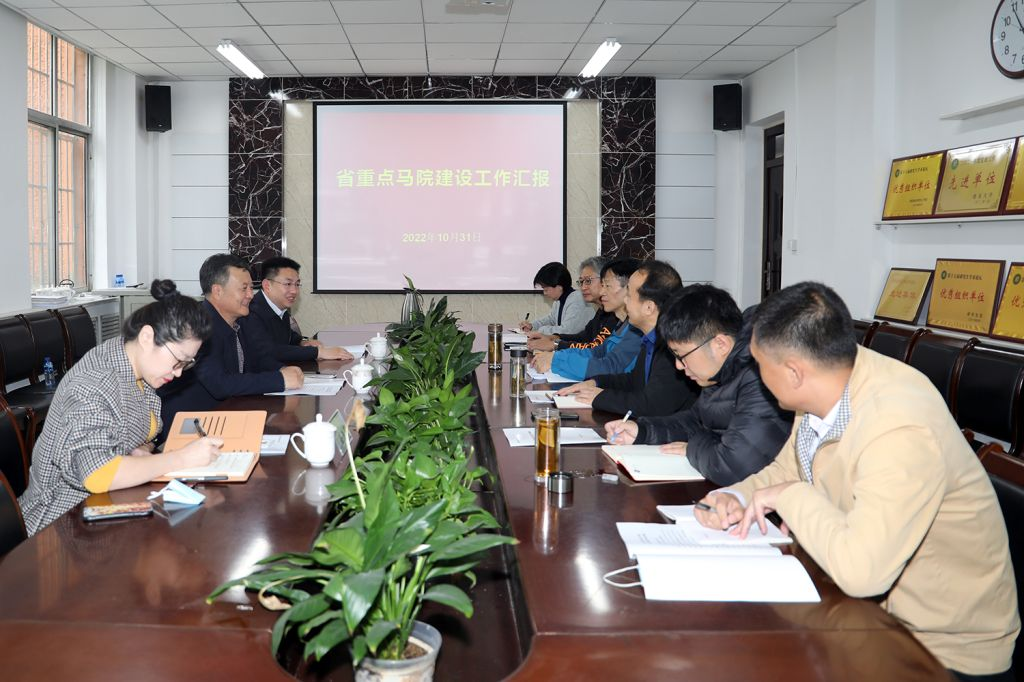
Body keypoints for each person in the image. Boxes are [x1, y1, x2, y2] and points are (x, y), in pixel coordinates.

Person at [694, 282, 1019, 681]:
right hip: (864, 615)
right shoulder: (829, 381)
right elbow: (789, 469)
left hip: (938, 650)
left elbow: (863, 572)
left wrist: (790, 497)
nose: (757, 376)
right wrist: (735, 496)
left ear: (794, 372)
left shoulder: (898, 425)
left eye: (760, 365)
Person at [18, 280, 224, 535]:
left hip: (108, 508)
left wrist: (142, 450)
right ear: (147, 337)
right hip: (61, 524)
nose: (179, 372)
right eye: (178, 361)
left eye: (187, 364)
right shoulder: (94, 383)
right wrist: (181, 458)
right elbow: (97, 473)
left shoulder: (136, 366)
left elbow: (139, 435)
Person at [604, 284, 793, 485]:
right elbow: (698, 420)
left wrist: (692, 447)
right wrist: (642, 430)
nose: (678, 366)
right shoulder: (722, 369)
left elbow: (732, 466)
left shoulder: (761, 376)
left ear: (720, 344)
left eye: (681, 355)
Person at [159, 254, 304, 434]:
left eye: (251, 288)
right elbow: (220, 384)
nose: (250, 295)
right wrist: (280, 380)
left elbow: (259, 359)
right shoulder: (196, 327)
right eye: (244, 289)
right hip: (190, 426)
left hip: (227, 415)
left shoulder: (242, 320)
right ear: (218, 291)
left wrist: (283, 370)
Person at [559, 260, 698, 417]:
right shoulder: (650, 338)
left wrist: (600, 397)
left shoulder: (673, 347)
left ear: (649, 307)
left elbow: (651, 405)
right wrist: (596, 382)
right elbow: (634, 381)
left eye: (629, 296)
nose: (625, 301)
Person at [531, 258, 642, 381]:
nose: (602, 291)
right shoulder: (618, 321)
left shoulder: (637, 329)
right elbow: (595, 350)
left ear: (630, 289)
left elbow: (610, 366)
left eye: (607, 285)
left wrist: (556, 356)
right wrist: (555, 351)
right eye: (581, 282)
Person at [248, 256, 352, 363]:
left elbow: (285, 335)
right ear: (267, 285)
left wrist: (302, 342)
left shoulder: (279, 307)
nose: (294, 291)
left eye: (297, 284)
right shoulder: (251, 312)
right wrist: (318, 352)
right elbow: (270, 350)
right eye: (288, 284)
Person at [526, 256, 616, 352]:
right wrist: (553, 337)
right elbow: (583, 337)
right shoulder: (601, 312)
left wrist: (555, 344)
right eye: (581, 282)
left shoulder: (616, 315)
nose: (583, 287)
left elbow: (595, 348)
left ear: (606, 281)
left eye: (588, 281)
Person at [519, 262, 593, 336]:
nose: (544, 293)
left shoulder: (577, 300)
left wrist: (541, 331)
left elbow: (567, 331)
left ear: (559, 287)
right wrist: (532, 326)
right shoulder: (559, 300)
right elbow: (551, 319)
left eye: (546, 289)